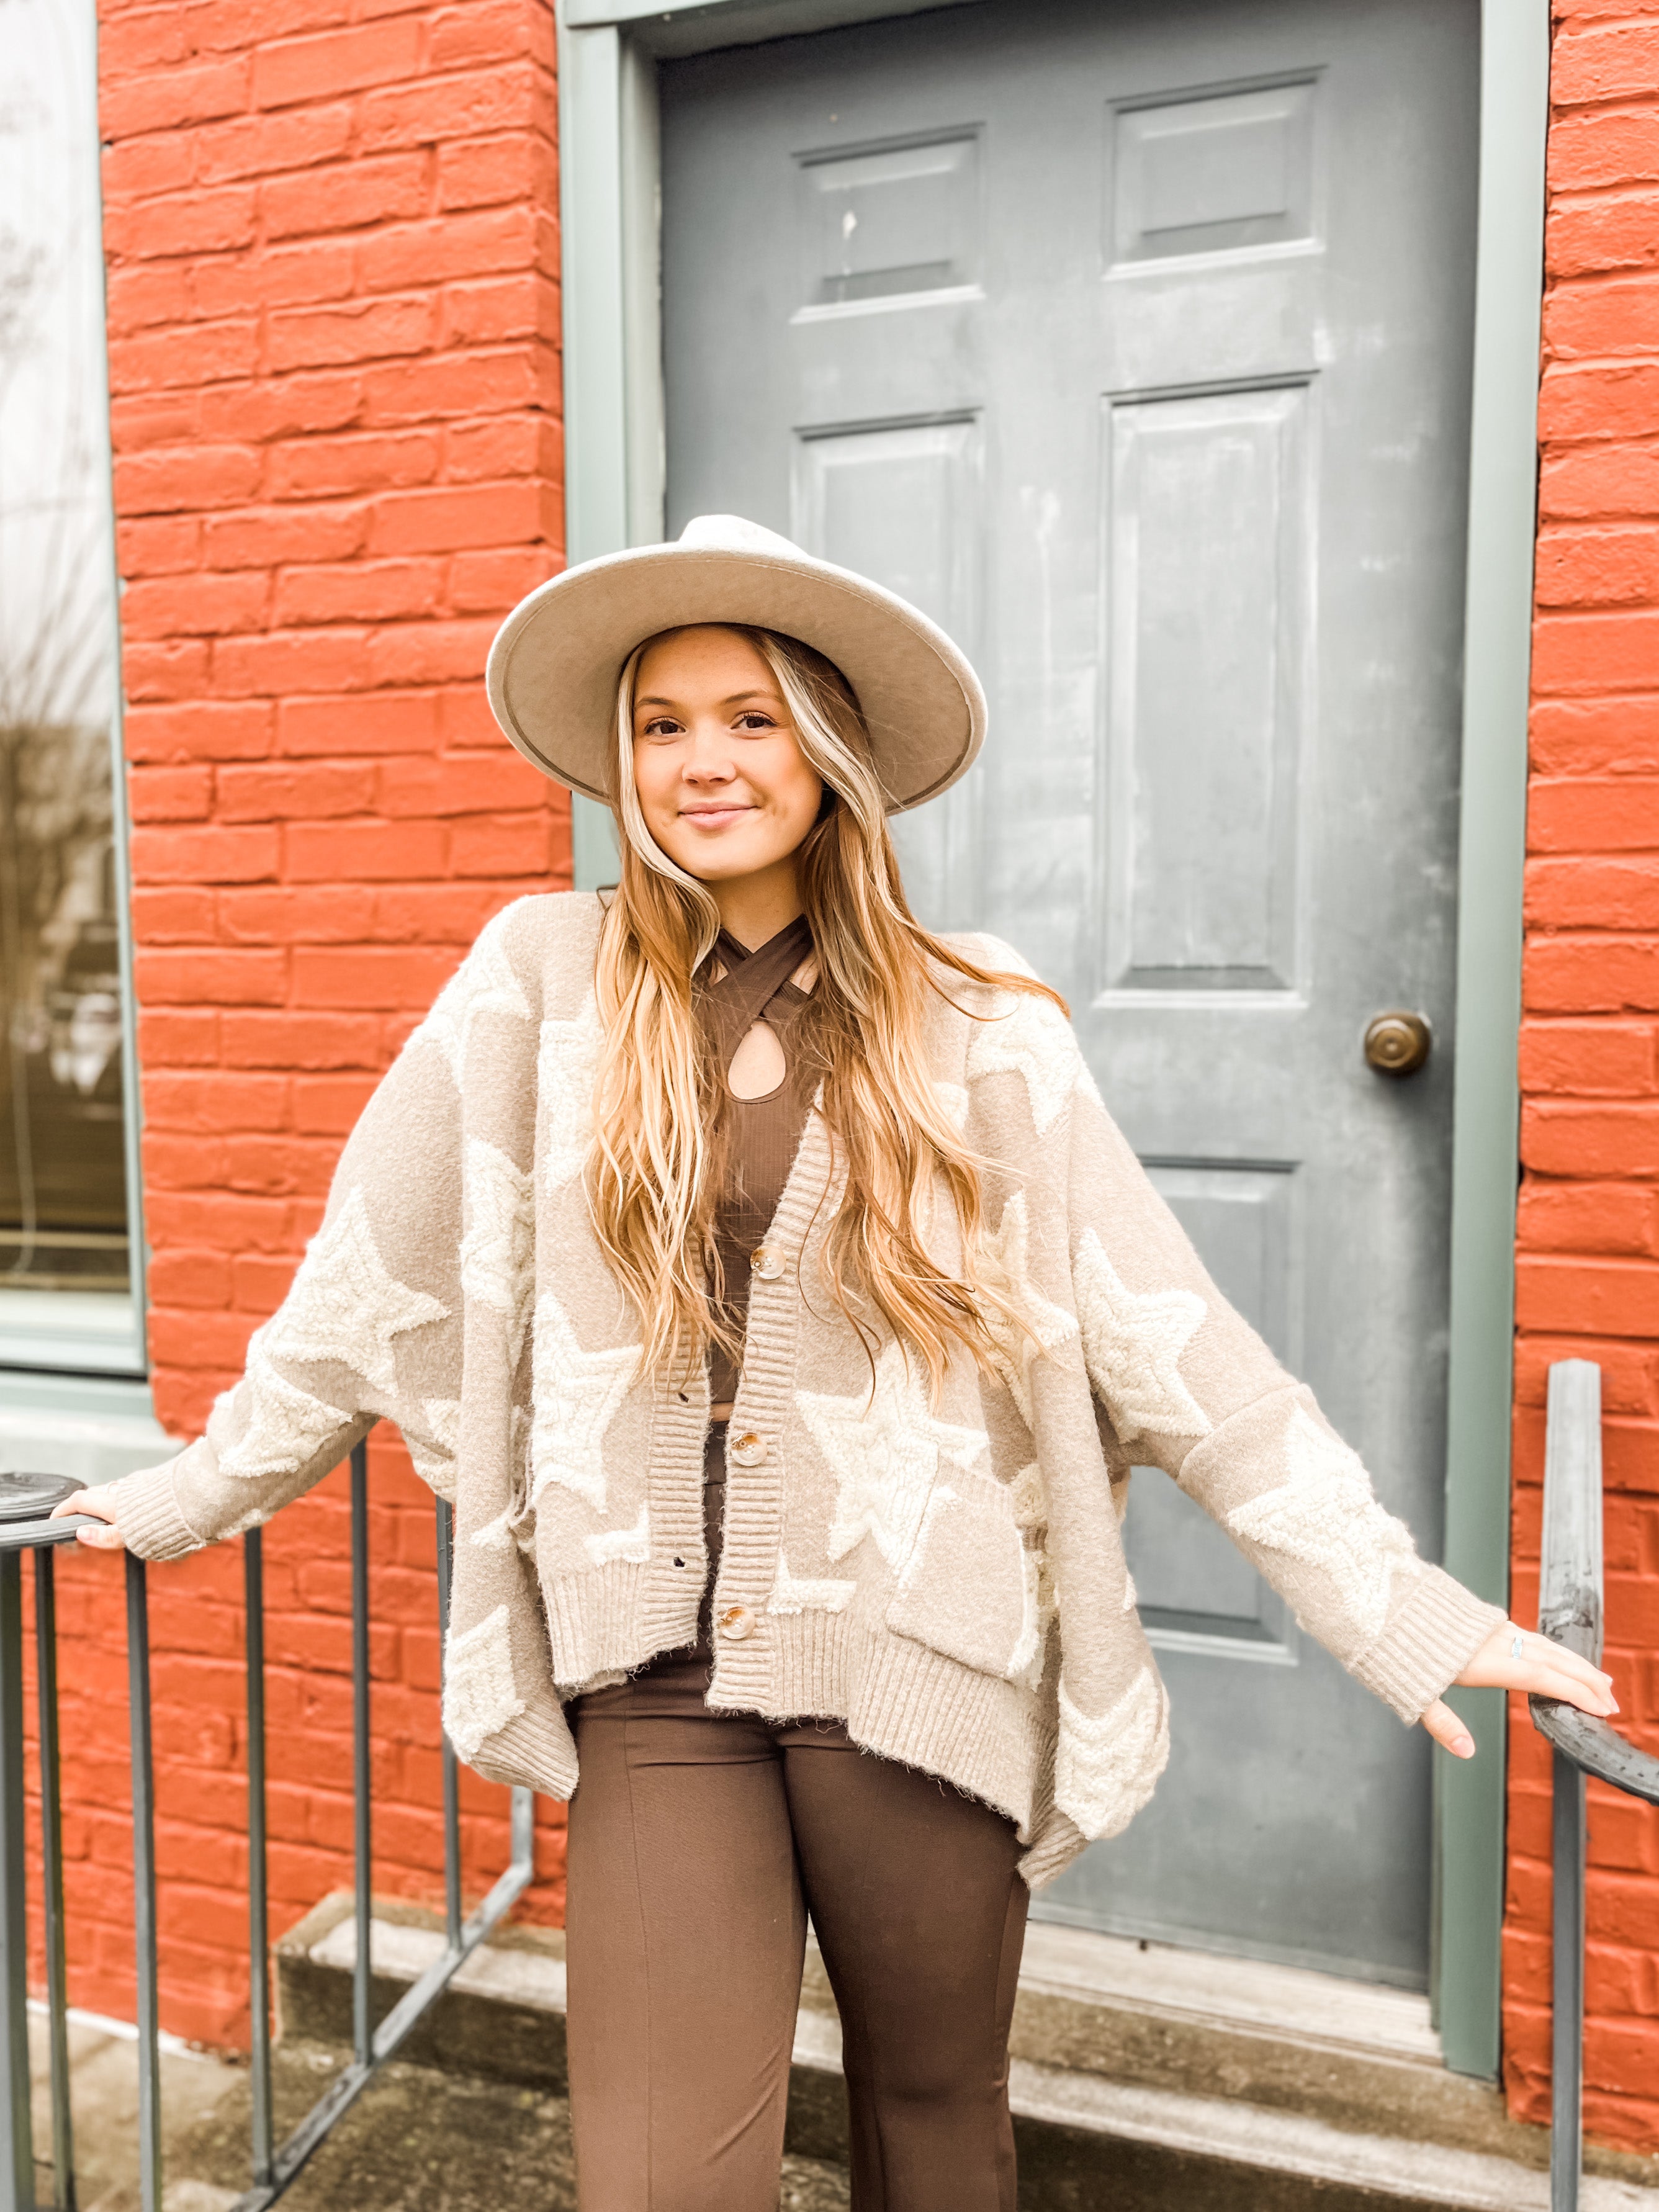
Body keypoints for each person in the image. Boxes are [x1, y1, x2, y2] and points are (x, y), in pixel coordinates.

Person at [60, 516, 1616, 2212]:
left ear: (828, 746)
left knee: (934, 2124)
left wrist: (1394, 1603)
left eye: (749, 715)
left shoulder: (974, 1016)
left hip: (914, 1643)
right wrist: (188, 1489)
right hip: (654, 1675)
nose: (701, 761)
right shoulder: (535, 983)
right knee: (658, 2179)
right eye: (661, 723)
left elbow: (1166, 1332)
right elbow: (357, 1282)